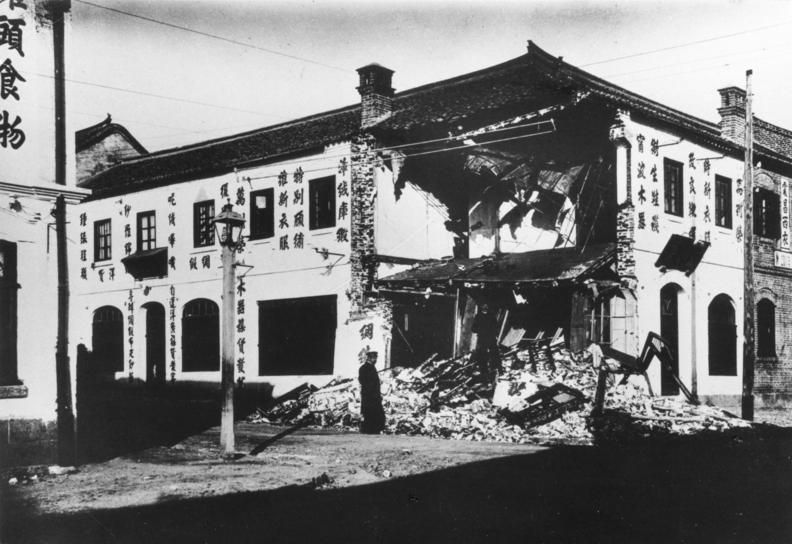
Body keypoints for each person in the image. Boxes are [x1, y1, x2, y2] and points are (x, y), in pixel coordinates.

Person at [358, 350, 385, 434]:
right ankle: (370, 429)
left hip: (371, 394)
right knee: (371, 411)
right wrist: (373, 393)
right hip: (370, 395)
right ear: (371, 358)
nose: (375, 360)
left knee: (372, 411)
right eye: (374, 358)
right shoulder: (366, 368)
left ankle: (372, 428)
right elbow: (364, 381)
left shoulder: (369, 367)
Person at [472, 303, 501, 378]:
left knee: (489, 354)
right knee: (489, 354)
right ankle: (491, 371)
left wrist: (481, 330)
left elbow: (474, 329)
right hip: (487, 338)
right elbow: (474, 328)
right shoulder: (488, 316)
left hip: (485, 338)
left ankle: (493, 371)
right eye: (484, 306)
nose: (485, 307)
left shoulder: (481, 316)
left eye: (486, 306)